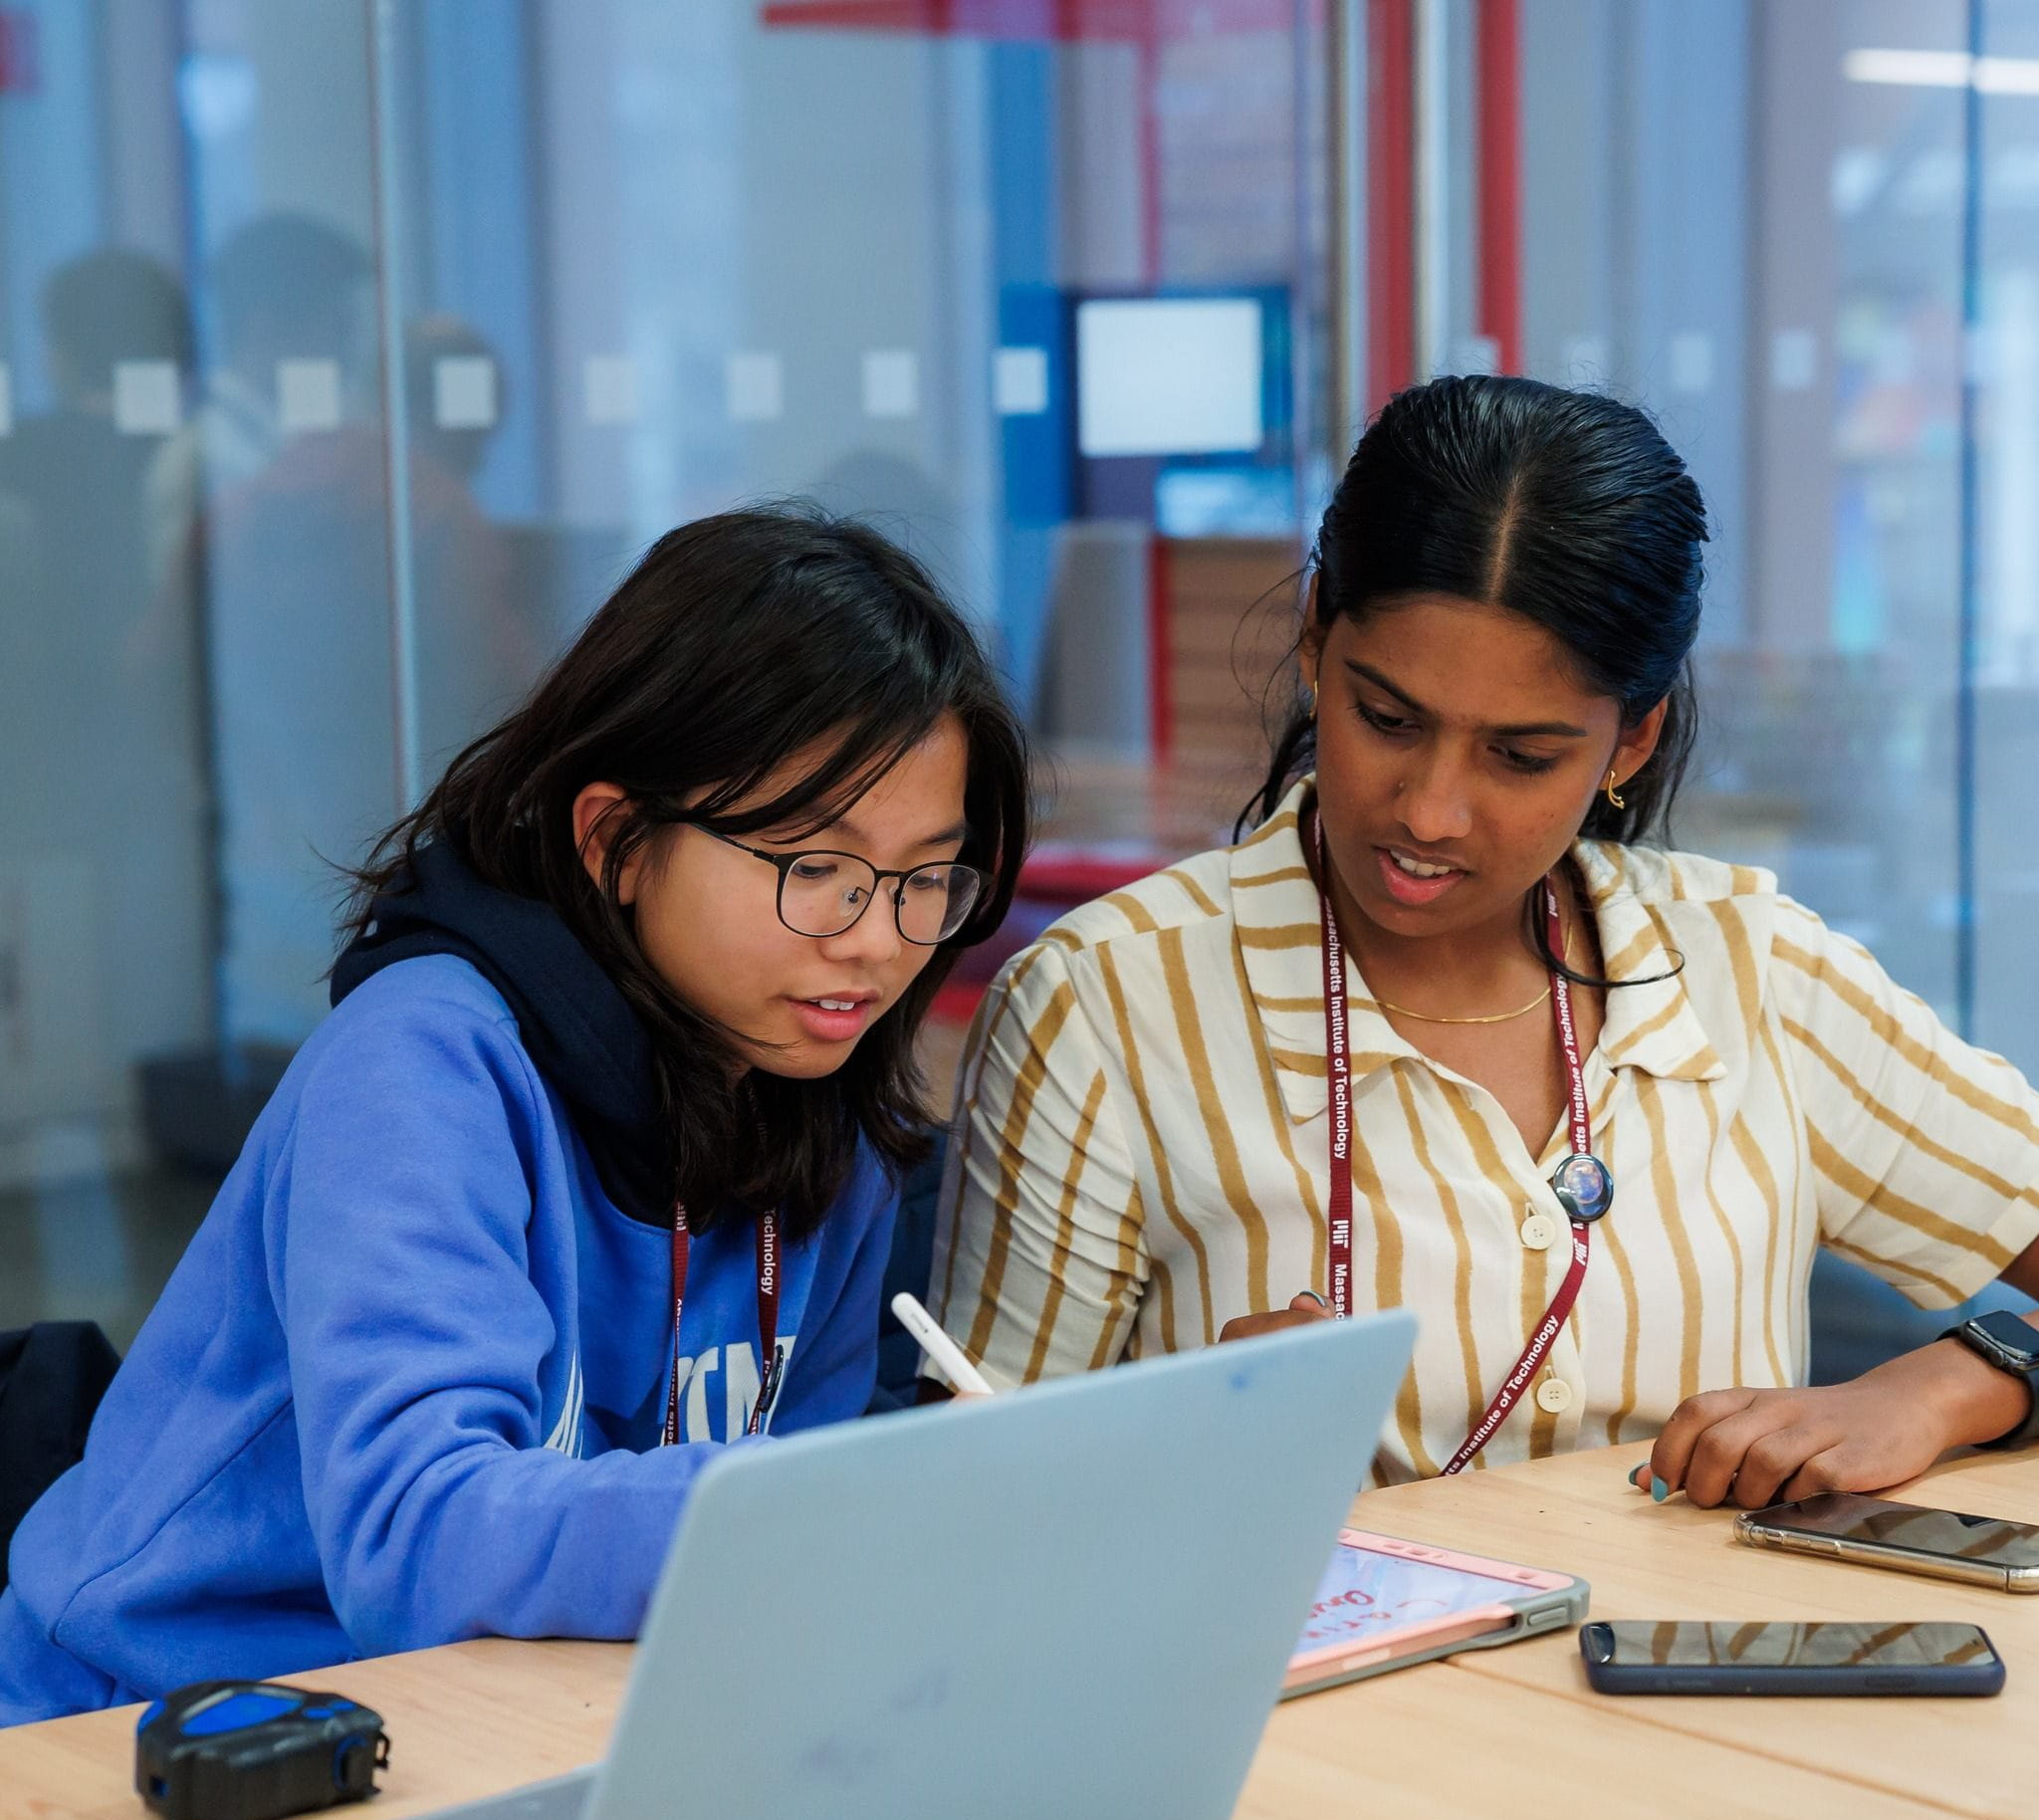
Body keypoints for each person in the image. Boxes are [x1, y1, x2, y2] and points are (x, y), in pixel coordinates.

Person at [0, 508, 1028, 1723]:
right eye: (817, 867)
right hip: (168, 1717)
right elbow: (415, 1536)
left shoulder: (820, 1092)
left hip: (523, 1708)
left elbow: (791, 1514)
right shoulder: (426, 1063)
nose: (876, 938)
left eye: (924, 878)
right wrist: (837, 1494)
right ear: (618, 840)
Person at [934, 374, 2039, 1504]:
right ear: (1314, 637)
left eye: (1520, 756)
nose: (1428, 811)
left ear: (1631, 738)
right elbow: (964, 1514)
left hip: (1700, 1675)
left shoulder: (1750, 970)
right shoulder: (1108, 1005)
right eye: (1386, 718)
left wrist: (1955, 1383)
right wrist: (1178, 1443)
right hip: (1328, 1689)